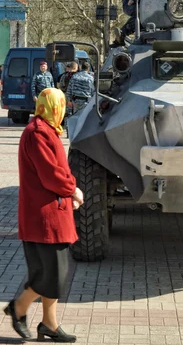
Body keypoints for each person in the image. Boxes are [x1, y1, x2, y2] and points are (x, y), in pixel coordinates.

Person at [4, 88, 83, 342]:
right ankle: (18, 309)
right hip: (44, 218)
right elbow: (51, 174)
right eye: (62, 104)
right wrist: (73, 190)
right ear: (52, 106)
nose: (65, 108)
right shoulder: (39, 133)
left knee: (50, 273)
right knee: (51, 274)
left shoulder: (45, 129)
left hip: (49, 215)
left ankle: (49, 323)